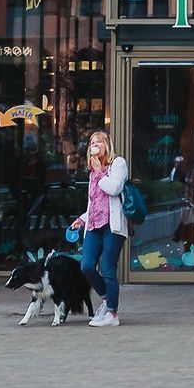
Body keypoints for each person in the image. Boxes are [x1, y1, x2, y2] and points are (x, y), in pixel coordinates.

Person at [70, 130, 128, 327]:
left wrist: (100, 172)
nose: (94, 145)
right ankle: (106, 299)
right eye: (92, 142)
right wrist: (82, 219)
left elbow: (114, 189)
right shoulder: (92, 172)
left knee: (107, 268)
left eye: (98, 142)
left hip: (112, 226)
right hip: (94, 224)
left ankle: (113, 314)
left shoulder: (117, 164)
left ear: (106, 145)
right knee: (86, 265)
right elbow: (94, 202)